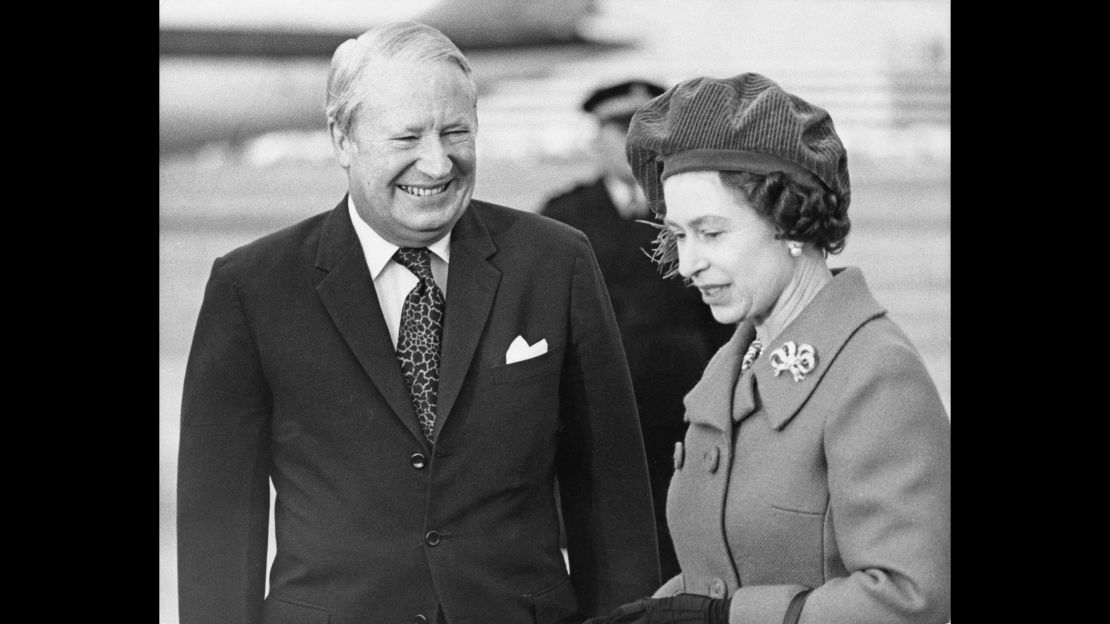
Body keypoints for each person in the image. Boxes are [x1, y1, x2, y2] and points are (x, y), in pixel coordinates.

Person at [176, 21, 660, 624]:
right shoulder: (252, 287)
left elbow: (611, 501)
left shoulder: (555, 261)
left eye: (455, 132)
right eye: (406, 137)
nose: (437, 163)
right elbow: (217, 524)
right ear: (342, 138)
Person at [586, 73, 951, 624]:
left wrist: (722, 618)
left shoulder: (875, 374)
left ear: (790, 223)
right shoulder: (733, 363)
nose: (687, 265)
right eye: (679, 236)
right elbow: (728, 565)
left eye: (711, 233)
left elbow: (910, 599)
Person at [539, 80, 733, 580]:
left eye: (642, 129)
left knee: (686, 558)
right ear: (594, 139)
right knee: (607, 561)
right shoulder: (562, 217)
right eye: (615, 127)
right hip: (596, 422)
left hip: (687, 418)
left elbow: (725, 320)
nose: (629, 143)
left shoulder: (697, 214)